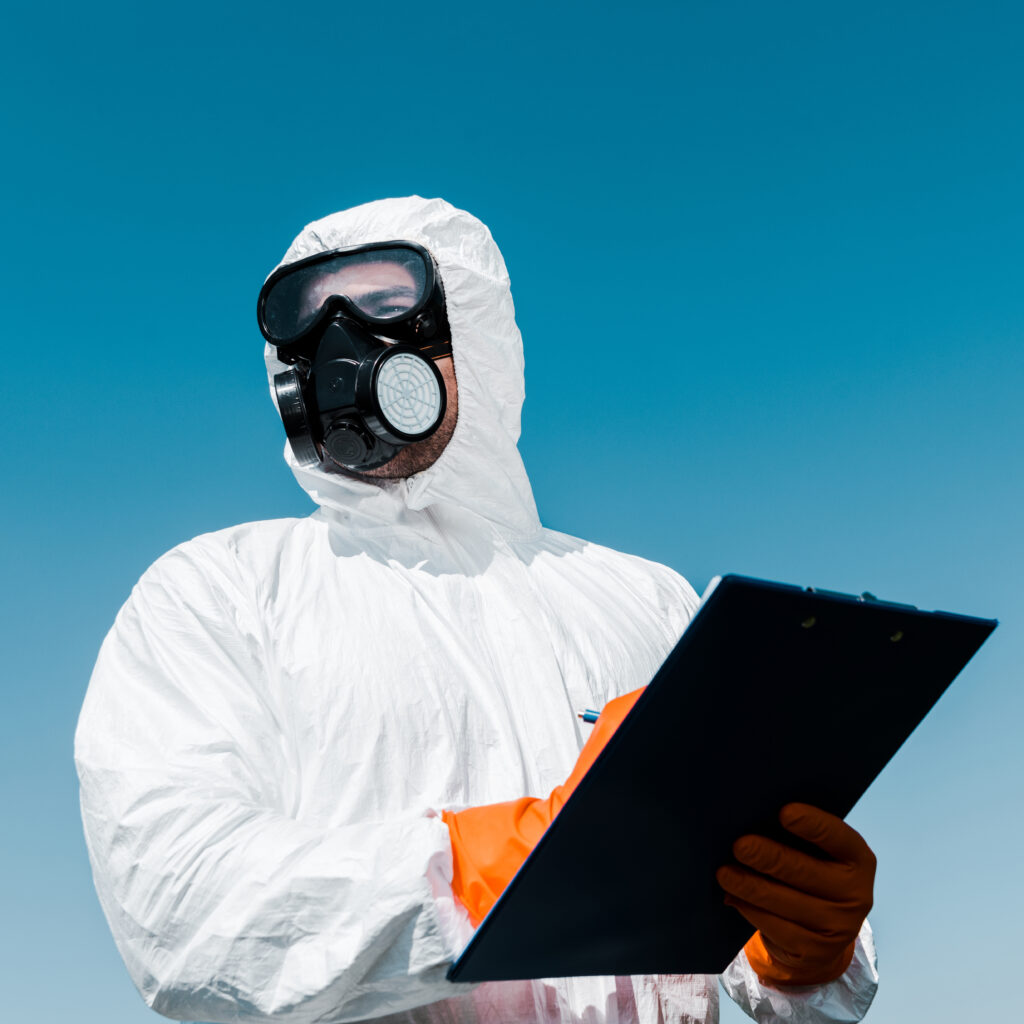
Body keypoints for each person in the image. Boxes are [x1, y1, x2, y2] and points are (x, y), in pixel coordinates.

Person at [75, 196, 879, 1024]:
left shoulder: (648, 599)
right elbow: (182, 910)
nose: (344, 345)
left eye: (386, 304)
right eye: (311, 320)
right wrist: (487, 867)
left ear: (477, 334)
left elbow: (752, 928)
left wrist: (803, 953)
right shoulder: (221, 593)